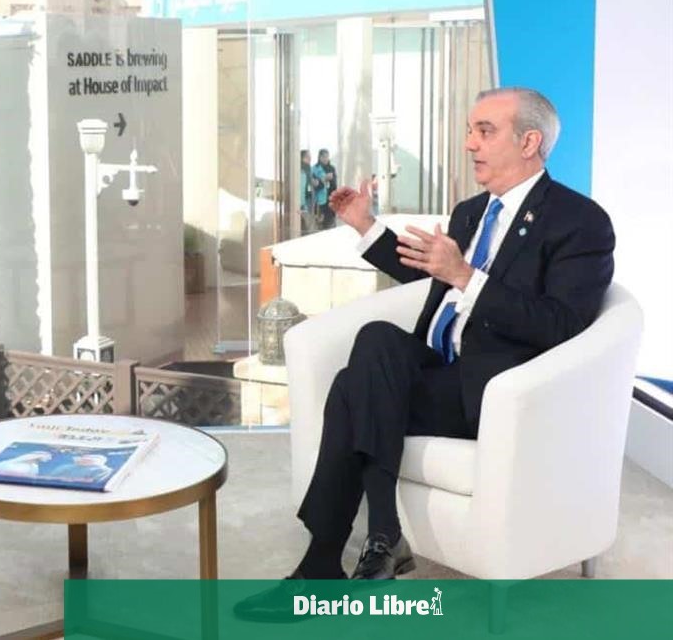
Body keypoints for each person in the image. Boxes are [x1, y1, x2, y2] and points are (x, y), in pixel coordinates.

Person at [234, 87, 614, 621]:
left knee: (350, 388)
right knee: (375, 341)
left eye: (485, 131)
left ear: (530, 142)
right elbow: (430, 274)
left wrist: (465, 275)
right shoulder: (471, 212)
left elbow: (562, 325)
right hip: (435, 368)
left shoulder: (579, 222)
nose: (470, 143)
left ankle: (327, 563)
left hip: (497, 392)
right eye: (470, 130)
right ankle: (381, 536)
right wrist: (366, 226)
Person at [311, 149, 338, 228]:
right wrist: (324, 179)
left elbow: (334, 186)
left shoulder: (332, 168)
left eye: (327, 156)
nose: (326, 159)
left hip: (330, 201)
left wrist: (332, 180)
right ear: (319, 157)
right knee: (320, 226)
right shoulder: (314, 169)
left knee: (331, 225)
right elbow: (314, 186)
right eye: (324, 157)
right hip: (319, 202)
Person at [300, 149, 320, 232]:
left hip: (308, 198)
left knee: (307, 219)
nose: (310, 158)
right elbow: (309, 182)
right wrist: (314, 182)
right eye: (308, 156)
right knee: (308, 220)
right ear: (303, 158)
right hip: (306, 199)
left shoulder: (308, 168)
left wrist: (315, 182)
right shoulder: (304, 167)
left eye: (310, 156)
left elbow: (315, 181)